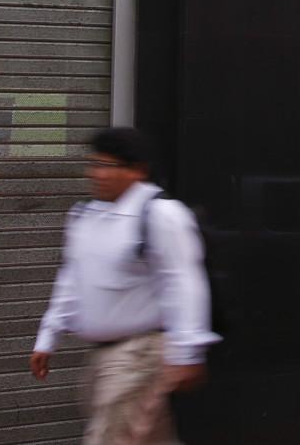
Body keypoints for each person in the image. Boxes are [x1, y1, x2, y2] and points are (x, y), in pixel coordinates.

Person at [31, 128, 217, 445]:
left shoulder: (160, 215)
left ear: (137, 171)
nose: (97, 174)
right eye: (94, 164)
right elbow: (71, 279)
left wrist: (188, 351)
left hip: (139, 356)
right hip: (102, 358)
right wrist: (48, 336)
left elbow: (184, 282)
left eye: (108, 166)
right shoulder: (85, 216)